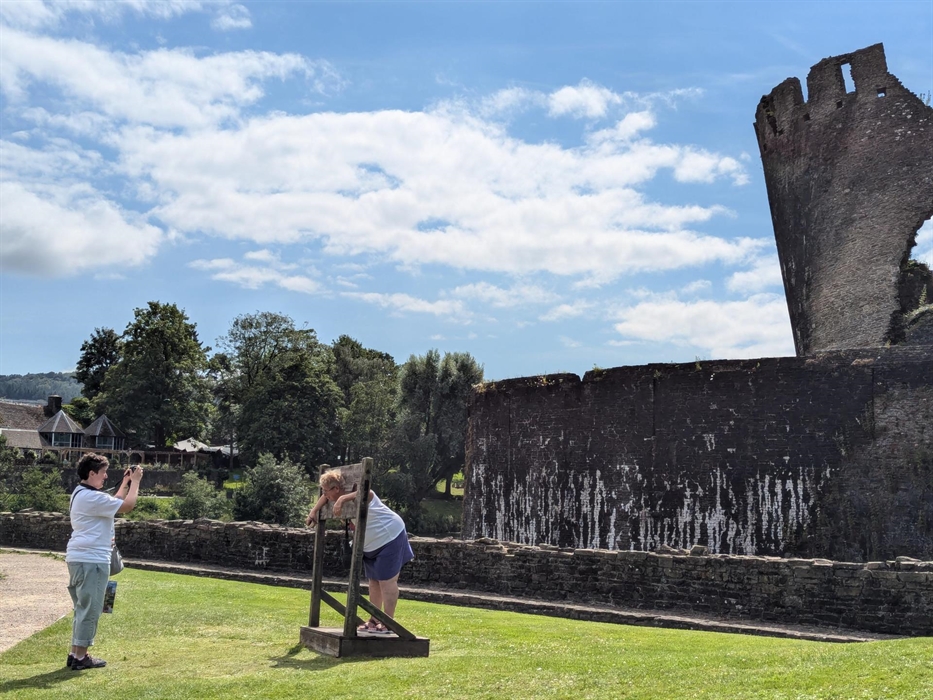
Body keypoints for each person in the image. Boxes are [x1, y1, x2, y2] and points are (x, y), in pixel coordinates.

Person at [305, 469, 414, 634]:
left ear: (336, 489)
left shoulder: (358, 494)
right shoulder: (331, 494)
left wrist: (342, 499)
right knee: (374, 582)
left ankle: (388, 622)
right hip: (370, 544)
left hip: (389, 536)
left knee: (387, 581)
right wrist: (313, 511)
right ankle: (375, 619)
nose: (324, 494)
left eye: (326, 490)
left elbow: (368, 492)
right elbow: (324, 498)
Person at [65, 453, 143, 670]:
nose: (106, 477)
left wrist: (126, 482)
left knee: (83, 608)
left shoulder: (82, 494)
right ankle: (81, 657)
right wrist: (135, 483)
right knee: (92, 609)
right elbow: (127, 506)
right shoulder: (91, 497)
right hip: (92, 561)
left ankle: (75, 653)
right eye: (103, 473)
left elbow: (115, 502)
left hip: (81, 558)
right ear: (92, 473)